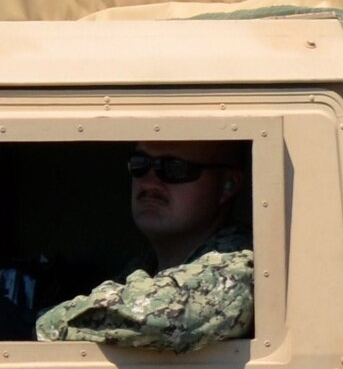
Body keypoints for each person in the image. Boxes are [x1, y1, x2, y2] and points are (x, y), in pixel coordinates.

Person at [35, 140, 254, 351]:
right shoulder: (141, 267)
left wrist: (38, 324)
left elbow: (164, 317)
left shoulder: (238, 259)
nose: (149, 183)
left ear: (228, 184)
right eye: (140, 165)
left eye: (174, 168)